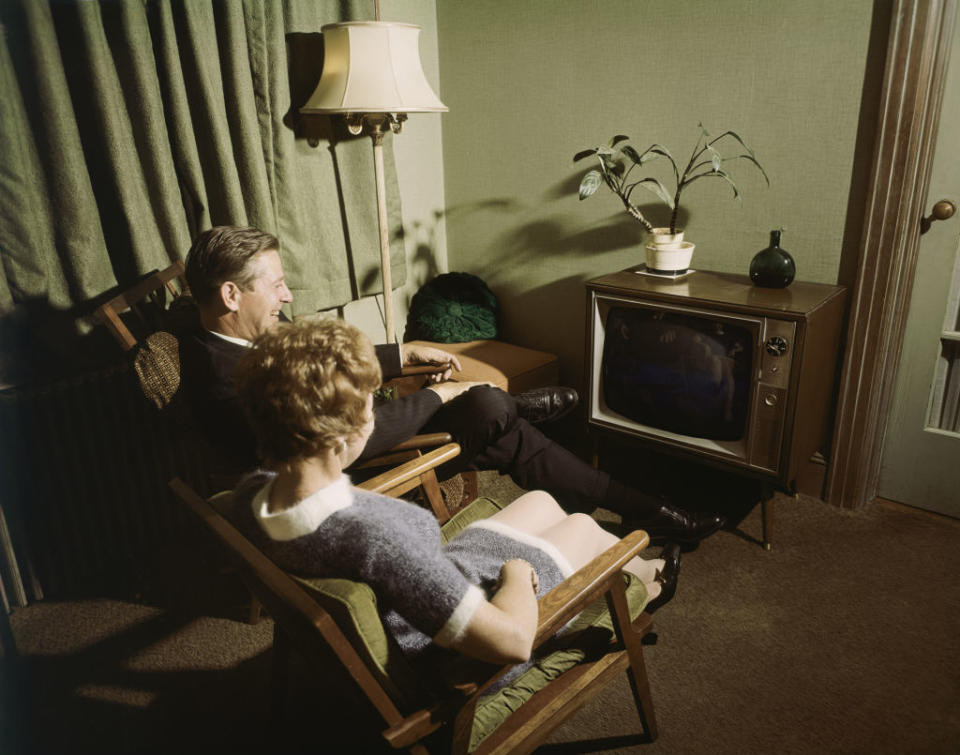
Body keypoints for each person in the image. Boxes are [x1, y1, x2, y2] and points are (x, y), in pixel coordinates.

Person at [180, 225, 725, 542]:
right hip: (346, 462)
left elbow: (316, 358)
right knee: (486, 408)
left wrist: (399, 353)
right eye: (275, 286)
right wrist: (436, 395)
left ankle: (639, 506)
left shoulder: (245, 336)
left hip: (357, 424)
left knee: (499, 422)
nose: (286, 297)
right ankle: (524, 417)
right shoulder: (224, 382)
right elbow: (343, 445)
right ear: (231, 295)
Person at [228, 318, 680, 685]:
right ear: (348, 435)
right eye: (371, 404)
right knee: (582, 525)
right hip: (449, 656)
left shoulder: (251, 492)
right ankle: (647, 580)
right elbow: (512, 642)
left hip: (414, 594)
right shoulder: (377, 534)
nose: (376, 411)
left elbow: (385, 556)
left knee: (543, 501)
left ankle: (640, 571)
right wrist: (517, 576)